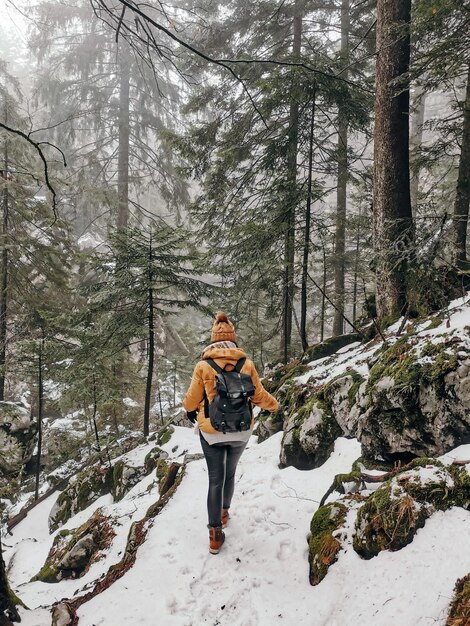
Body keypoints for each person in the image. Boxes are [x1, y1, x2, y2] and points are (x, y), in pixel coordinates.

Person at [183, 312, 279, 554]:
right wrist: (275, 405)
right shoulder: (245, 364)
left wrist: (190, 410)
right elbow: (259, 396)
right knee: (231, 472)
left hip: (212, 431)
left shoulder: (203, 365)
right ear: (233, 339)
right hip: (241, 430)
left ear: (213, 340)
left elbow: (191, 401)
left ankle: (215, 536)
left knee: (215, 478)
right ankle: (224, 513)